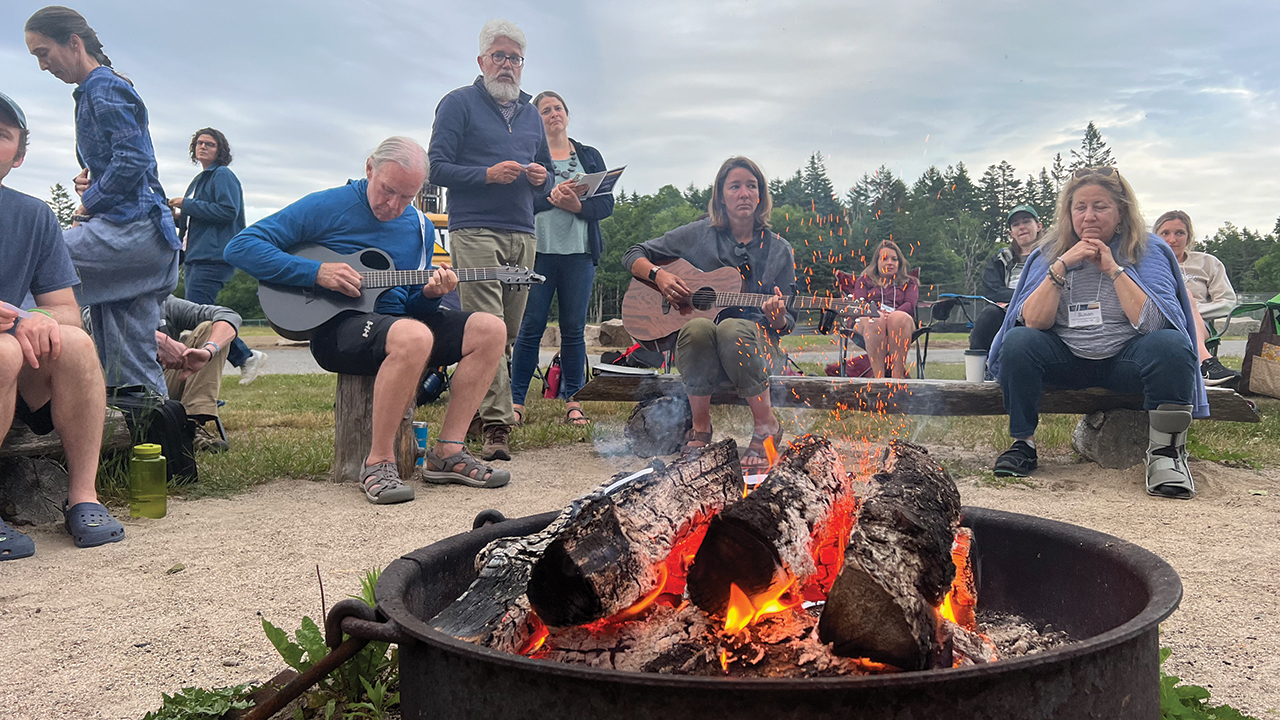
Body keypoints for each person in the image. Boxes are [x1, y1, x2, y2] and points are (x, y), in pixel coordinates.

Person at [225, 137, 510, 503]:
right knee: (413, 336)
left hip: (398, 327)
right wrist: (316, 272)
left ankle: (448, 452)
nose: (393, 205)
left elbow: (410, 305)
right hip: (336, 330)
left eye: (406, 197)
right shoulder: (328, 205)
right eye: (387, 190)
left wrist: (430, 294)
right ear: (369, 168)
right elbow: (241, 247)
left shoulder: (420, 227)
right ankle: (377, 462)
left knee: (490, 328)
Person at [988, 167, 1207, 500]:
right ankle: (1023, 444)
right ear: (1069, 213)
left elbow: (1153, 324)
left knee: (1172, 345)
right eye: (1080, 207)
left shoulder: (1148, 251)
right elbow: (1033, 322)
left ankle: (1167, 455)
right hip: (1066, 361)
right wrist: (1060, 267)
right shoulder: (1047, 254)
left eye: (1100, 206)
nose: (1088, 216)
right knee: (1020, 342)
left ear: (1121, 211)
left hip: (1125, 363)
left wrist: (1113, 268)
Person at [25, 6, 180, 394]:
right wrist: (93, 180)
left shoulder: (101, 86)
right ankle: (154, 444)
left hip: (133, 233)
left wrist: (89, 201)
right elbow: (127, 161)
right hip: (151, 240)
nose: (43, 65)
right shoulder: (105, 86)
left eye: (43, 53)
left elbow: (134, 157)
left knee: (29, 263)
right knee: (128, 359)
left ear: (73, 43)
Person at [0, 90, 124, 558]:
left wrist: (34, 318)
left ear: (19, 155)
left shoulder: (31, 215)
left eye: (1, 135)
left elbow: (65, 310)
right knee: (5, 350)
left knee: (73, 341)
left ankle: (84, 497)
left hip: (12, 364)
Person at [428, 19, 554, 462]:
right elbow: (435, 168)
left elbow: (546, 175)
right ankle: (498, 427)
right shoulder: (458, 103)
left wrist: (543, 177)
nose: (507, 65)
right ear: (481, 61)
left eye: (514, 58)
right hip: (475, 227)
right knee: (491, 325)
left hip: (523, 230)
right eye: (499, 56)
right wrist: (484, 174)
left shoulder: (532, 114)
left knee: (510, 331)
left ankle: (481, 408)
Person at [622, 157, 795, 473]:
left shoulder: (779, 250)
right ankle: (701, 427)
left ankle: (765, 425)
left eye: (751, 186)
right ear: (721, 196)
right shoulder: (699, 234)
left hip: (757, 352)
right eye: (735, 186)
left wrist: (778, 316)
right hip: (704, 355)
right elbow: (633, 254)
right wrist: (660, 277)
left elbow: (787, 323)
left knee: (731, 328)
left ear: (760, 196)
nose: (744, 193)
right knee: (698, 326)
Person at [510, 91, 615, 426]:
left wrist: (579, 207)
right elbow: (517, 203)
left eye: (558, 108)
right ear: (536, 120)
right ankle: (515, 402)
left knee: (573, 330)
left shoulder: (589, 155)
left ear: (567, 115)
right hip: (538, 254)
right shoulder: (528, 155)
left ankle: (574, 401)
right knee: (530, 328)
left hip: (579, 255)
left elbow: (606, 204)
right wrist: (552, 200)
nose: (553, 114)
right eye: (545, 110)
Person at [167, 128, 267, 385]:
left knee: (200, 317)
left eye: (209, 144)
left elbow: (227, 211)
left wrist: (186, 204)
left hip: (213, 257)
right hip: (198, 255)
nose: (203, 147)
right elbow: (203, 217)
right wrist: (179, 217)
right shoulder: (201, 180)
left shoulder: (222, 175)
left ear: (220, 150)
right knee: (200, 317)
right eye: (199, 143)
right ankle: (233, 363)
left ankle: (245, 357)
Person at [1153, 210, 1240, 387]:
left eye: (1179, 233)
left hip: (1201, 323)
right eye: (1165, 233)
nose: (1172, 239)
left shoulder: (1207, 263)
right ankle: (1207, 364)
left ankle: (1204, 366)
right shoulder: (1149, 266)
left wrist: (1191, 310)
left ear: (1189, 236)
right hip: (1160, 320)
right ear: (1155, 237)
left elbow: (1227, 302)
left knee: (1188, 302)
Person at [157, 295, 241, 452]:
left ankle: (190, 425)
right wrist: (155, 338)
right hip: (117, 390)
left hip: (162, 386)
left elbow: (229, 316)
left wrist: (208, 351)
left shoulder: (164, 303)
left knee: (210, 329)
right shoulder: (103, 299)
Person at [969, 205, 1042, 355]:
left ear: (1039, 226)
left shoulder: (1051, 256)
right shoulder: (1000, 259)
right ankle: (978, 369)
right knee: (988, 315)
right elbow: (992, 291)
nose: (1021, 227)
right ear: (1011, 233)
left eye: (1026, 221)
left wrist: (1020, 298)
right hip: (1006, 312)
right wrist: (1021, 297)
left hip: (1041, 309)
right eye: (1016, 224)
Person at [849, 240, 919, 379]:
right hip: (869, 322)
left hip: (901, 323)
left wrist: (892, 314)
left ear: (899, 263)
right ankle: (879, 380)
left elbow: (910, 304)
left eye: (894, 259)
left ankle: (897, 379)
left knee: (898, 317)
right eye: (885, 258)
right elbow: (860, 305)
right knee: (875, 319)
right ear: (877, 262)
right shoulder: (864, 281)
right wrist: (880, 314)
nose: (890, 262)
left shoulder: (910, 282)